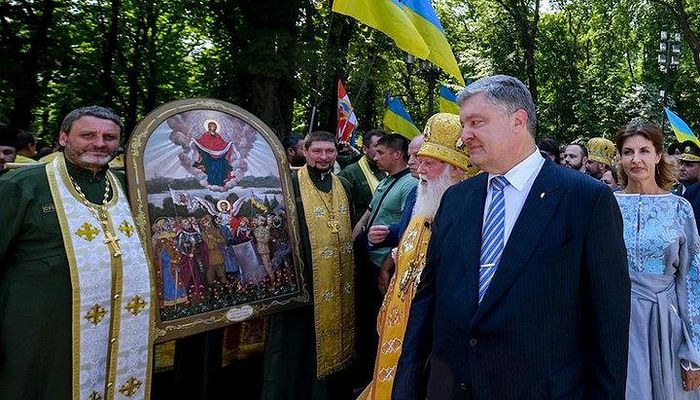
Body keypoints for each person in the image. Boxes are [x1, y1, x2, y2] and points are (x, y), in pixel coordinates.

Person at [394, 75, 630, 399]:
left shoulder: (586, 200)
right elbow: (426, 304)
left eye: (476, 122)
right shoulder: (456, 199)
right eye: (464, 124)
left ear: (518, 120)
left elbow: (609, 325)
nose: (464, 137)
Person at [0, 106, 154, 399]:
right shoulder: (21, 185)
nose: (99, 143)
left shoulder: (128, 187)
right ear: (63, 137)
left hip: (116, 327)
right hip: (36, 329)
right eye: (88, 135)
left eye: (109, 137)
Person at [360, 113, 478, 399]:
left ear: (457, 170)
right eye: (420, 160)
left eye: (430, 163)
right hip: (401, 323)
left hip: (433, 340)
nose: (420, 170)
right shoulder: (424, 202)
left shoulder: (471, 215)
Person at [262, 131, 355, 400]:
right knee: (296, 345)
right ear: (305, 150)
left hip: (336, 283)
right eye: (317, 151)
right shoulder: (290, 182)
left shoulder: (343, 184)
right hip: (302, 284)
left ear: (336, 153)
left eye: (329, 152)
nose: (323, 158)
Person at [613, 119, 700, 397]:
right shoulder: (606, 205)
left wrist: (694, 351)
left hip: (666, 322)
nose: (636, 159)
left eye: (644, 151)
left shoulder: (679, 208)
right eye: (628, 152)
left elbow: (692, 280)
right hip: (616, 321)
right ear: (620, 157)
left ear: (659, 155)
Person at [338, 129, 387, 226]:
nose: (382, 150)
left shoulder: (389, 170)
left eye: (385, 147)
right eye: (377, 146)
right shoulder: (350, 173)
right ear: (365, 149)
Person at [192, 120, 235, 186]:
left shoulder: (217, 135)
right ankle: (212, 182)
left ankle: (220, 181)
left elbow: (222, 144)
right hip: (210, 157)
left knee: (222, 166)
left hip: (219, 157)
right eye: (212, 126)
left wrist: (228, 144)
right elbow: (203, 143)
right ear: (209, 127)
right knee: (212, 169)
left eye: (214, 126)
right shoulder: (206, 135)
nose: (213, 128)